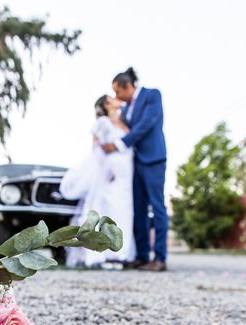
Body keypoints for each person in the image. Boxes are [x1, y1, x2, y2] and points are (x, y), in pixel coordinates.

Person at [102, 68, 168, 272]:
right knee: (138, 209)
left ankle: (160, 258)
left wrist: (120, 144)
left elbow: (147, 124)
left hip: (153, 159)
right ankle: (141, 256)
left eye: (118, 92)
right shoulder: (127, 107)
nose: (116, 97)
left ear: (127, 86)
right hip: (135, 163)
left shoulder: (152, 95)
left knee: (157, 207)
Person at [60, 95, 136, 267]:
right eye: (112, 98)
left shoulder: (125, 123)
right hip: (110, 176)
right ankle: (105, 253)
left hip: (126, 175)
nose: (118, 100)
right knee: (110, 209)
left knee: (124, 210)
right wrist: (108, 169)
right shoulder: (103, 122)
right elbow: (97, 148)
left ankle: (122, 253)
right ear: (107, 105)